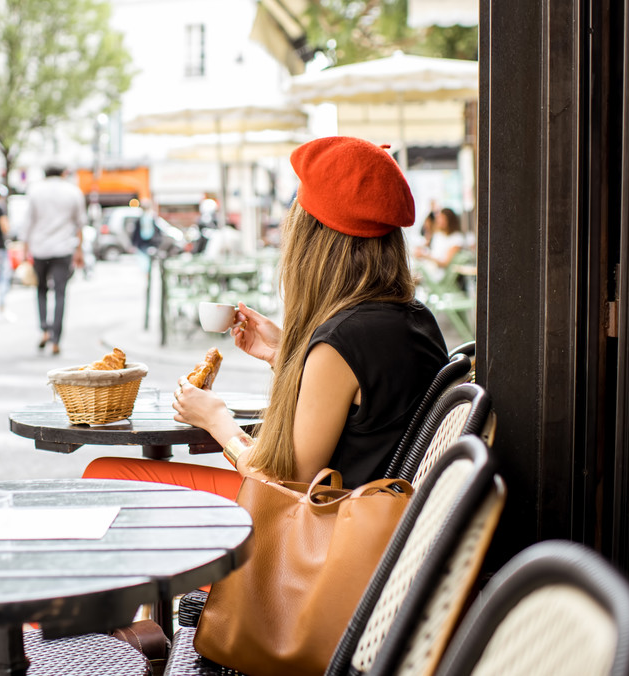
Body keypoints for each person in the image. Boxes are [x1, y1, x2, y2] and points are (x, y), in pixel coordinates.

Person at [84, 136, 449, 493]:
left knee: (105, 474)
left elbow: (282, 483)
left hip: (322, 530)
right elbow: (366, 417)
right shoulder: (415, 318)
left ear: (314, 242)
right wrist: (285, 355)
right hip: (375, 518)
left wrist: (215, 419)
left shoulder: (342, 343)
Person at [23, 162, 86, 355]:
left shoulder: (35, 190)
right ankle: (56, 340)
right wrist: (79, 250)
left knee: (41, 289)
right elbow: (80, 223)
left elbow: (28, 222)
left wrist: (26, 248)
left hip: (40, 248)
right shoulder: (73, 191)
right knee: (60, 293)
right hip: (63, 248)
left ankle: (44, 329)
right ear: (63, 173)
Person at [414, 207, 465, 283]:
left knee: (415, 274)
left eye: (443, 219)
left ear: (449, 220)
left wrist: (426, 256)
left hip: (441, 275)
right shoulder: (439, 235)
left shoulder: (456, 238)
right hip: (432, 268)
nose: (439, 221)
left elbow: (444, 263)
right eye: (439, 218)